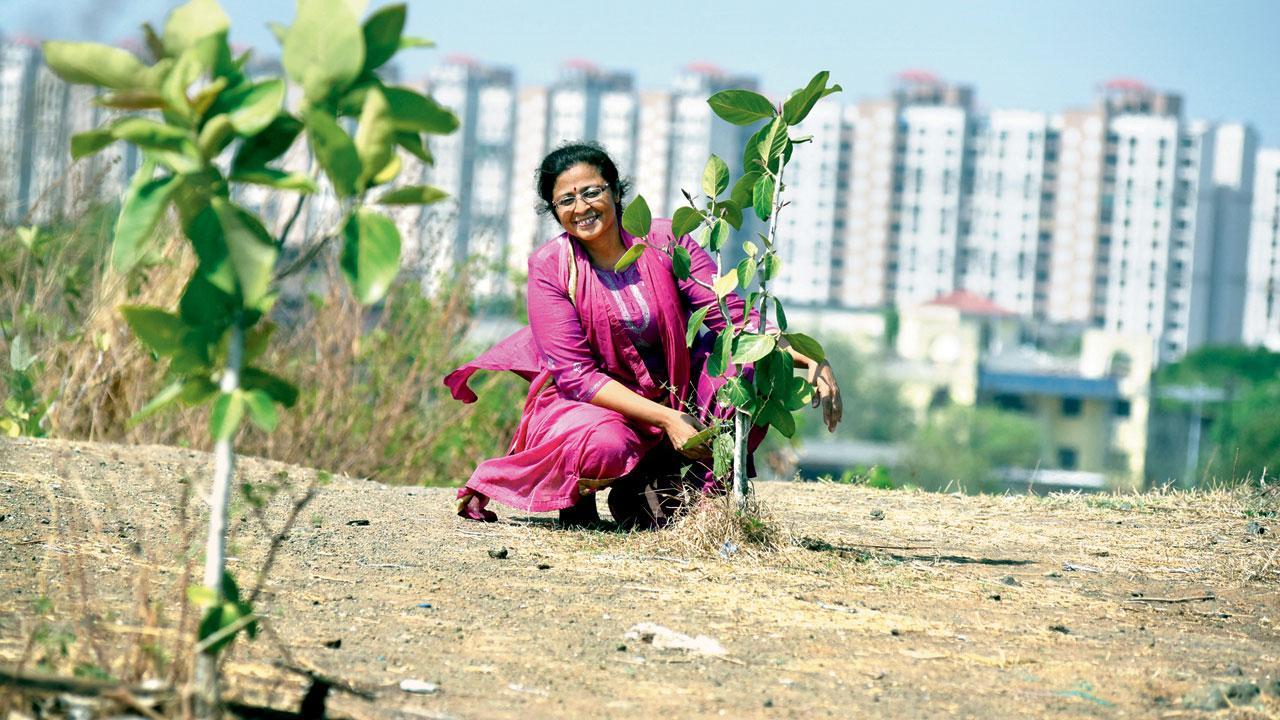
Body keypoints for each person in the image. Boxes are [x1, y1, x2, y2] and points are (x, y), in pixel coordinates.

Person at [444, 143, 841, 528]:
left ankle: (704, 502)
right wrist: (669, 420)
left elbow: (730, 317)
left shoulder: (665, 241)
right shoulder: (550, 267)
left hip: (673, 391)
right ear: (555, 211)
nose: (581, 208)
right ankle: (583, 491)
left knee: (750, 365)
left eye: (591, 192)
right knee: (606, 446)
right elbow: (576, 376)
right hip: (593, 405)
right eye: (566, 201)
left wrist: (810, 358)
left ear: (616, 192)